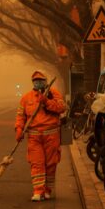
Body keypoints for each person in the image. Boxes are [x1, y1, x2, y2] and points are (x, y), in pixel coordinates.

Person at [15, 70, 66, 202]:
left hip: (51, 135)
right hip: (34, 137)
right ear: (33, 83)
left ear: (45, 81)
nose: (38, 83)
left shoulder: (53, 93)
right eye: (36, 81)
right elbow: (21, 115)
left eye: (41, 80)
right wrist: (19, 129)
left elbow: (61, 108)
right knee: (37, 163)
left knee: (50, 164)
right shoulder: (26, 98)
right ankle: (38, 191)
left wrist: (46, 101)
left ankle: (47, 190)